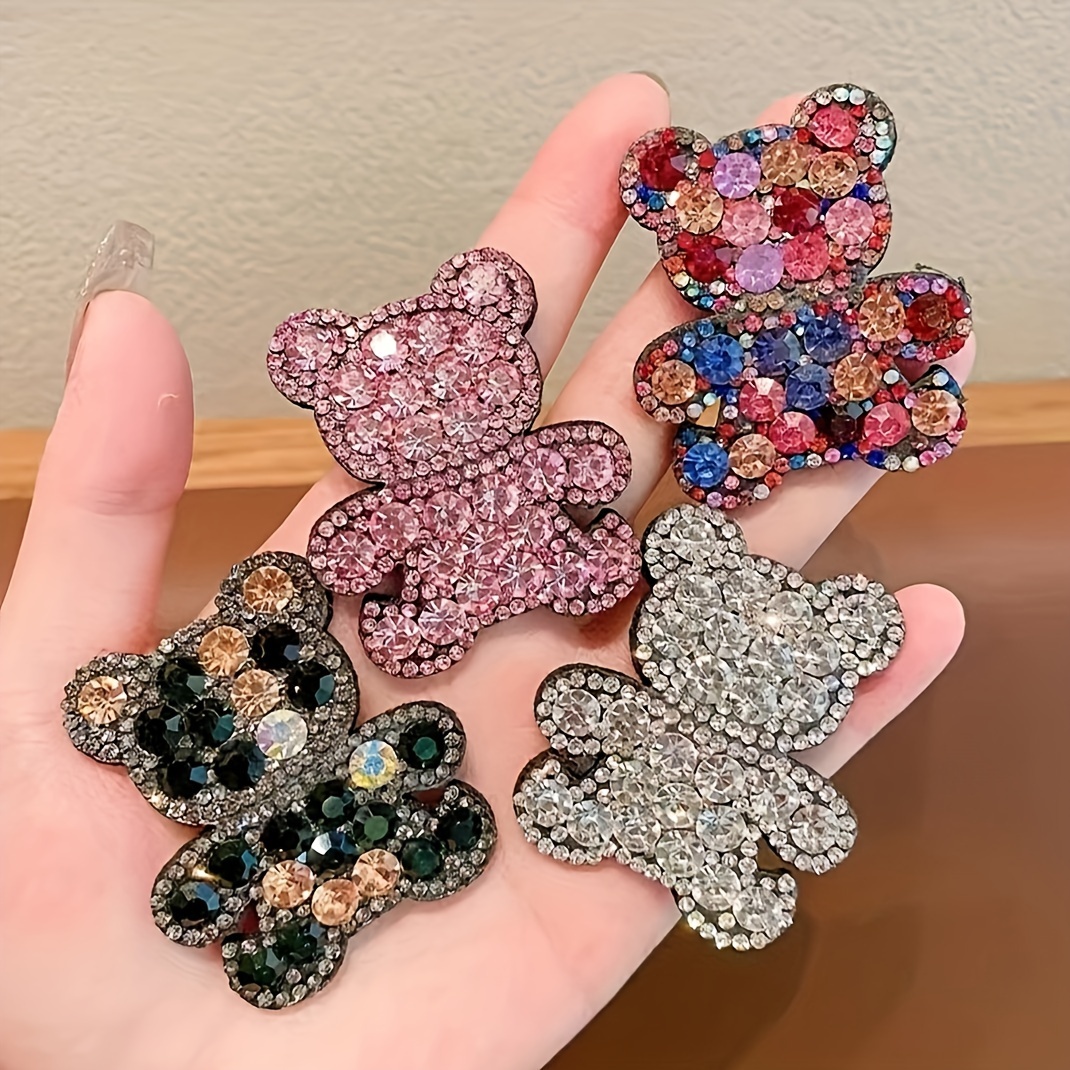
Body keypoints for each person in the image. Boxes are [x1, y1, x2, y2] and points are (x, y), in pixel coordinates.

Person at [0, 73, 971, 1069]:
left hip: (543, 598)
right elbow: (356, 548)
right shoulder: (376, 545)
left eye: (457, 377)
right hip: (417, 681)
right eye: (398, 397)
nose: (433, 403)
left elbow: (587, 467)